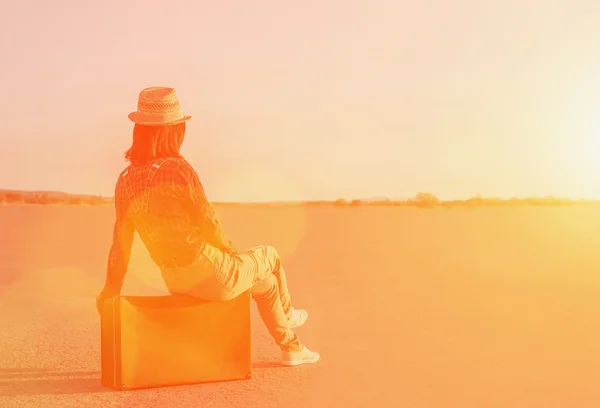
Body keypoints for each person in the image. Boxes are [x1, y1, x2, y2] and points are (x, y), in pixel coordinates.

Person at [97, 86, 320, 366]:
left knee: (266, 284)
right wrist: (232, 257)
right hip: (209, 272)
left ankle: (292, 349)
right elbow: (208, 222)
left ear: (139, 130)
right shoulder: (177, 169)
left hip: (173, 278)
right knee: (270, 255)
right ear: (175, 130)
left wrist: (111, 290)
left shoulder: (125, 179)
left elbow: (121, 242)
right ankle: (288, 316)